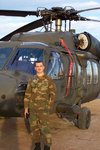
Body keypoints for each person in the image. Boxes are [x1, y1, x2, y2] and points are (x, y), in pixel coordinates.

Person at [24, 61, 56, 150]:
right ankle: (37, 146)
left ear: (43, 67)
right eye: (37, 66)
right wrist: (26, 108)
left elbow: (52, 94)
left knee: (45, 128)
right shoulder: (32, 80)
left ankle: (47, 146)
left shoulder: (48, 80)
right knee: (34, 128)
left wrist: (48, 106)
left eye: (40, 66)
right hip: (33, 108)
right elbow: (27, 94)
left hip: (43, 109)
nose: (39, 68)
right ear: (35, 68)